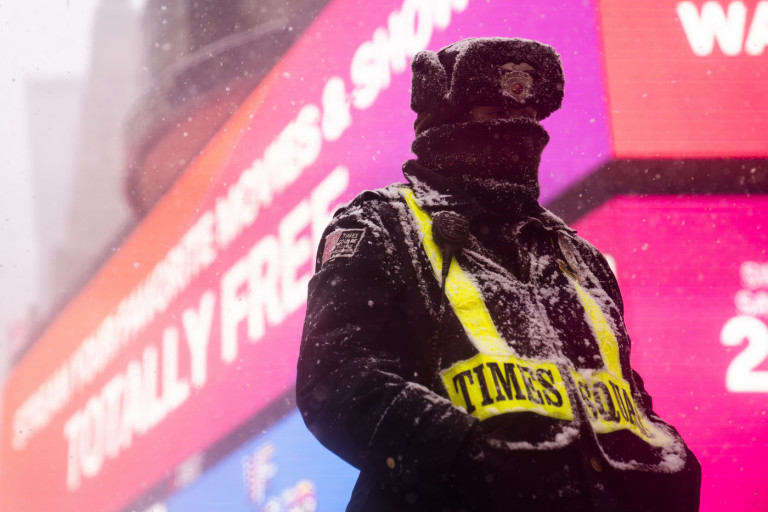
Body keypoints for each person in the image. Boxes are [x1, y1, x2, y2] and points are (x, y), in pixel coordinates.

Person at [296, 37, 701, 512]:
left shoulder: (578, 255)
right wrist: (470, 461)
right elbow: (339, 381)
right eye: (493, 117)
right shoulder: (380, 224)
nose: (519, 133)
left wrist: (673, 466)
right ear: (441, 125)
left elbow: (624, 396)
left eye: (530, 121)